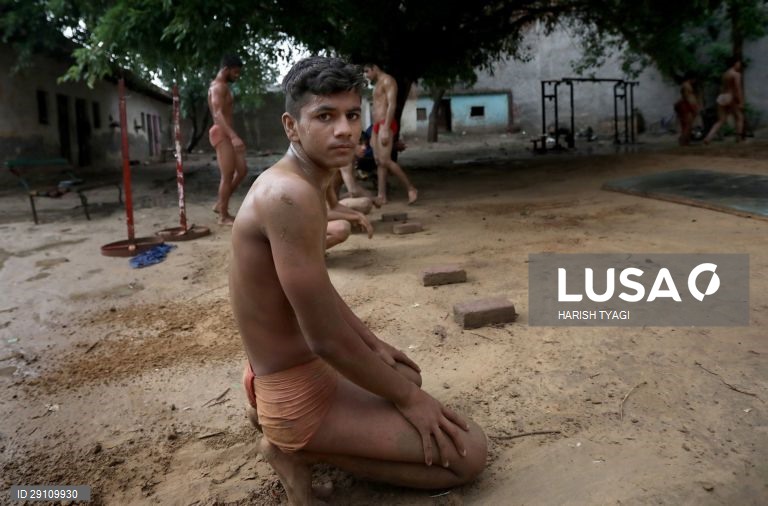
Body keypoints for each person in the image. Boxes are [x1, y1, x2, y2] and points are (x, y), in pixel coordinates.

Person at [231, 56, 487, 505]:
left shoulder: (304, 180)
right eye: (325, 117)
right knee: (469, 454)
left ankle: (290, 431)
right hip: (293, 389)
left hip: (280, 369)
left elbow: (318, 292)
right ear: (292, 126)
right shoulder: (289, 195)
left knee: (405, 373)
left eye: (352, 115)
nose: (345, 130)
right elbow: (325, 340)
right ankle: (297, 449)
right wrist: (410, 402)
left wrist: (373, 343)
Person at [363, 63, 418, 205]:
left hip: (385, 124)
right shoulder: (377, 84)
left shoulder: (388, 80)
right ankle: (382, 196)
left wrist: (386, 128)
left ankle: (411, 188)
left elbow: (392, 104)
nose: (366, 75)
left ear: (375, 68)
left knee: (385, 160)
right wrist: (374, 132)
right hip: (376, 125)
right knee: (379, 161)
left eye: (367, 71)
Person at [208, 55, 248, 225]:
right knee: (228, 175)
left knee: (242, 170)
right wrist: (233, 136)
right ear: (226, 70)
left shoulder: (223, 86)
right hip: (222, 133)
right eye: (235, 72)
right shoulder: (218, 87)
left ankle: (220, 203)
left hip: (227, 133)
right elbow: (218, 114)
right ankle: (223, 216)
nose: (237, 76)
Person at [325, 171, 374, 249]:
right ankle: (308, 253)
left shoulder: (326, 175)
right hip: (305, 225)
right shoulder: (309, 177)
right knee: (341, 228)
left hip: (315, 219)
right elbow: (318, 215)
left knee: (342, 227)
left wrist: (358, 215)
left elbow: (334, 206)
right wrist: (355, 217)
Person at [703, 57, 745, 144]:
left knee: (721, 120)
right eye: (738, 63)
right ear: (735, 63)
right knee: (739, 117)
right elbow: (737, 89)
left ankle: (708, 137)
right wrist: (740, 101)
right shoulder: (736, 74)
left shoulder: (725, 74)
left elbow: (722, 87)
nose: (739, 65)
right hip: (730, 96)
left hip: (722, 97)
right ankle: (739, 138)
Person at [674, 73, 699, 146]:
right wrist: (693, 107)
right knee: (688, 124)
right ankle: (683, 141)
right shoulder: (686, 85)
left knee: (687, 124)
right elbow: (686, 97)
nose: (695, 81)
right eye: (695, 79)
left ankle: (686, 141)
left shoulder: (687, 85)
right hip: (686, 106)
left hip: (687, 105)